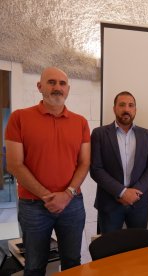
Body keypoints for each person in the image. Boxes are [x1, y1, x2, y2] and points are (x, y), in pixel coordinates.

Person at [5, 67, 90, 275]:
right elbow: (14, 164)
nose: (57, 88)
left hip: (72, 203)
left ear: (68, 89)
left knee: (72, 261)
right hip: (34, 206)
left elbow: (84, 163)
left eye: (62, 84)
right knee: (34, 265)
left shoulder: (80, 122)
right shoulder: (19, 118)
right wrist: (48, 196)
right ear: (39, 86)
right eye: (51, 82)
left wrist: (67, 194)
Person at [90, 91, 148, 234]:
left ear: (135, 110)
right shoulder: (99, 134)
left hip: (139, 203)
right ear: (114, 108)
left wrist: (135, 193)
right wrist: (122, 192)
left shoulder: (146, 135)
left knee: (139, 247)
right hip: (109, 203)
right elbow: (96, 169)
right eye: (122, 105)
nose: (126, 109)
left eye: (130, 105)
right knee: (110, 249)